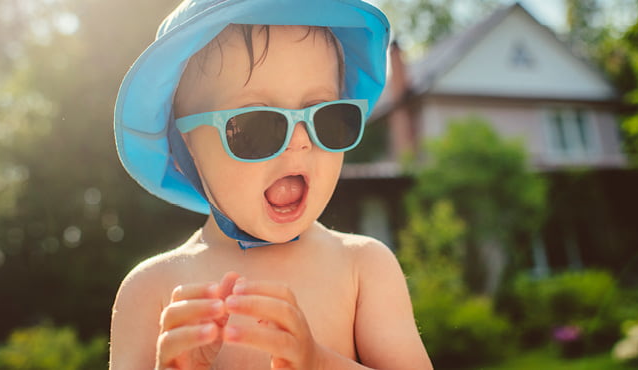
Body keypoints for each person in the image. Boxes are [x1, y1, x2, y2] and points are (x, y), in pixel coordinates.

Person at [110, 0, 432, 369]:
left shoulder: (363, 267)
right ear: (189, 146)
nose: (300, 140)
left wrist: (320, 363)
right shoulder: (151, 292)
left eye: (327, 116)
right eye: (256, 126)